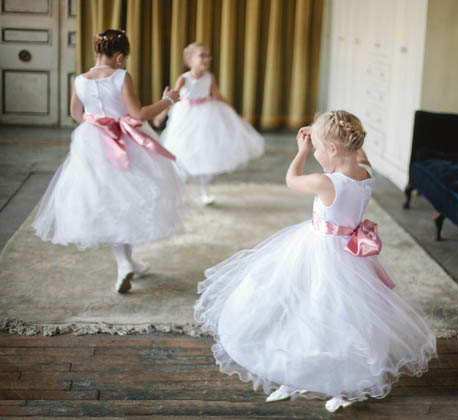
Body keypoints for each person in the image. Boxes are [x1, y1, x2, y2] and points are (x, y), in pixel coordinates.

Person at [194, 110, 437, 412]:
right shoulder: (366, 171)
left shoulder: (327, 182)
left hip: (323, 254)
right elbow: (357, 151)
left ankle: (339, 381)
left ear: (334, 149)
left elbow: (291, 179)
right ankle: (303, 373)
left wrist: (301, 151)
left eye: (321, 148)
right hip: (350, 256)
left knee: (312, 309)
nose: (317, 152)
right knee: (340, 316)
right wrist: (332, 133)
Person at [33, 29, 184, 294]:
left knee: (107, 201)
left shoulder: (80, 79)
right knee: (127, 199)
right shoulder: (121, 76)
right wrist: (168, 100)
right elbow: (138, 115)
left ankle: (126, 263)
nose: (123, 63)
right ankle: (126, 264)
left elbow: (76, 114)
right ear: (118, 56)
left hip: (93, 143)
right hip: (126, 142)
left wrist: (98, 123)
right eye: (123, 58)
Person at [154, 42, 264, 205]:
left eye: (208, 56)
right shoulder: (183, 79)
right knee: (179, 150)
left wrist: (232, 112)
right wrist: (161, 114)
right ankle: (175, 190)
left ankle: (205, 191)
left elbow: (217, 94)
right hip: (185, 116)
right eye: (202, 55)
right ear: (190, 59)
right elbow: (172, 98)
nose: (206, 59)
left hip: (205, 115)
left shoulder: (209, 77)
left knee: (204, 153)